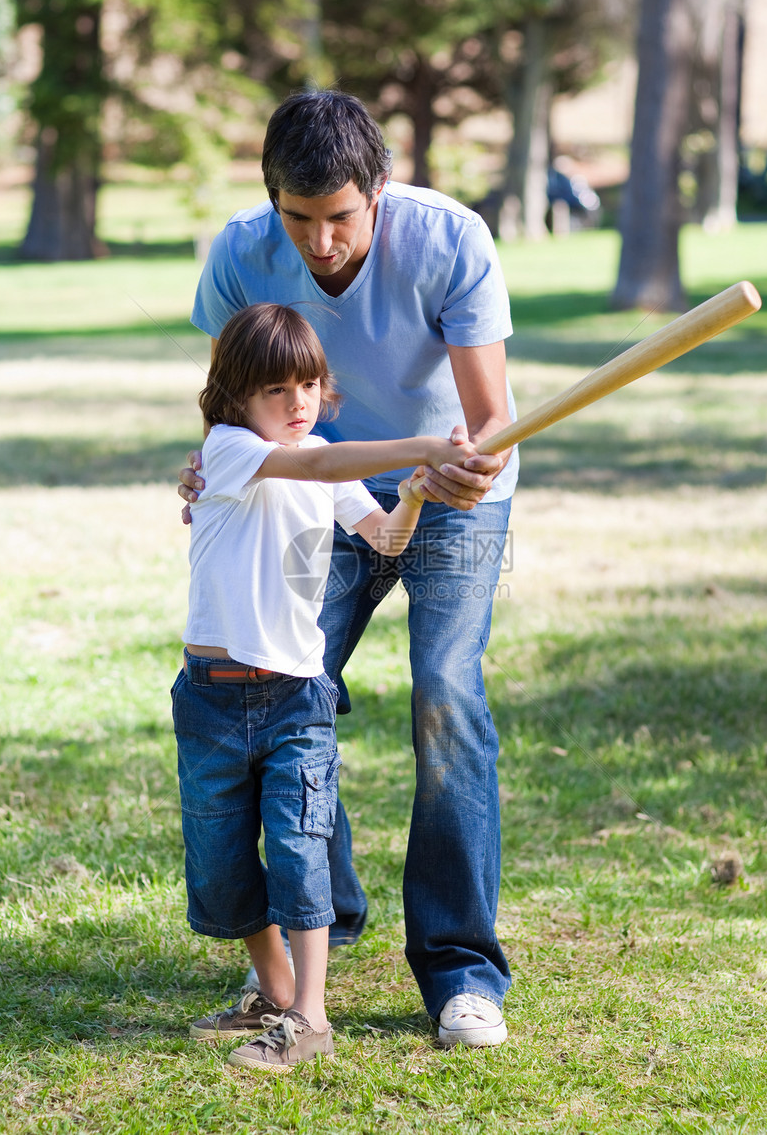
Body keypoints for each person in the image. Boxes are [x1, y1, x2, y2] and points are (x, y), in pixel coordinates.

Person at [179, 89, 519, 1048]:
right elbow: (229, 395)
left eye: (340, 218)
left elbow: (488, 418)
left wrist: (453, 467)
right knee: (290, 685)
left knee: (445, 692)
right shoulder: (244, 250)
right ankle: (315, 932)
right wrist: (211, 465)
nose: (321, 242)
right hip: (308, 483)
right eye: (300, 218)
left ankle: (460, 971)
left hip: (451, 488)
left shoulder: (450, 240)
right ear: (272, 199)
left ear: (378, 188)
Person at [174, 301, 478, 1072]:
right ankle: (275, 990)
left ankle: (309, 1016)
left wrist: (411, 492)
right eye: (278, 390)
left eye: (308, 385)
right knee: (220, 859)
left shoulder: (317, 453)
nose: (298, 403)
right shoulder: (231, 448)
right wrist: (426, 444)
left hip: (296, 697)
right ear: (236, 396)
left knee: (301, 846)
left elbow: (382, 538)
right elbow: (312, 466)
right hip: (211, 697)